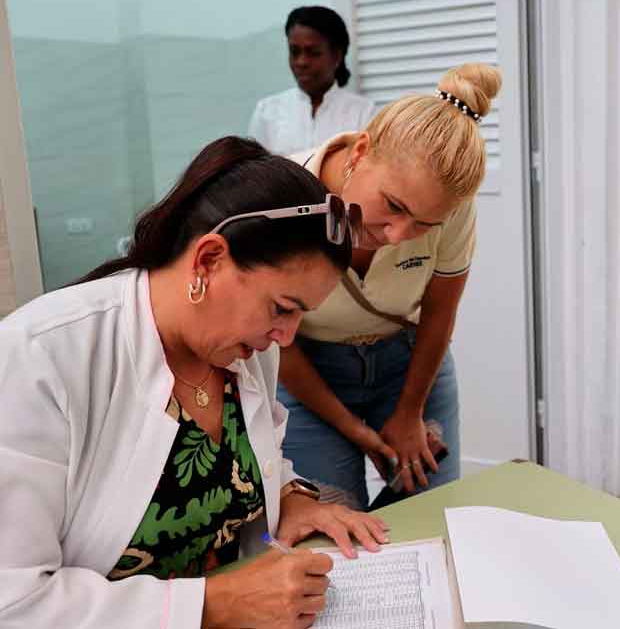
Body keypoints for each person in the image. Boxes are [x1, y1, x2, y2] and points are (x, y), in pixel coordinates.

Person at [0, 137, 389, 628]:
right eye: (282, 309)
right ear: (208, 261)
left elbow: (250, 462)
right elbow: (13, 602)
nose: (285, 337)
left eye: (300, 317)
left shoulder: (243, 352)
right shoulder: (37, 359)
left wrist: (289, 497)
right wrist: (211, 604)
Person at [278, 62, 501, 510]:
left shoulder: (454, 209)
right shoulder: (283, 197)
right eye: (394, 206)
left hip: (410, 368)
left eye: (423, 224)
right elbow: (275, 340)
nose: (398, 235)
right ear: (360, 152)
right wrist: (351, 428)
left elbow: (439, 314)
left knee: (432, 516)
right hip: (307, 371)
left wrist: (409, 412)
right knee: (332, 523)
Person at [249, 5, 376, 156]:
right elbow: (254, 175)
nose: (301, 62)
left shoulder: (363, 112)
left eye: (313, 53)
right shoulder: (268, 112)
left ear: (336, 56)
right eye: (294, 52)